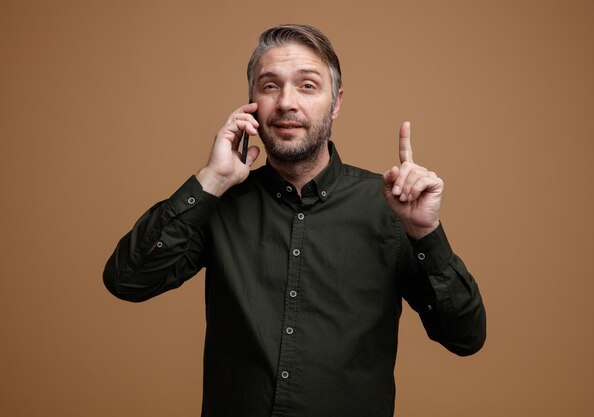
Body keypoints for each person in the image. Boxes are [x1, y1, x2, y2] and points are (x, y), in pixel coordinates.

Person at [103, 24, 486, 417]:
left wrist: (426, 234)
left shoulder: (391, 209)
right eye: (270, 86)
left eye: (307, 86)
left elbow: (465, 336)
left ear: (335, 103)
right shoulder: (218, 202)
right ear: (251, 103)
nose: (286, 102)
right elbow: (128, 280)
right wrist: (210, 180)